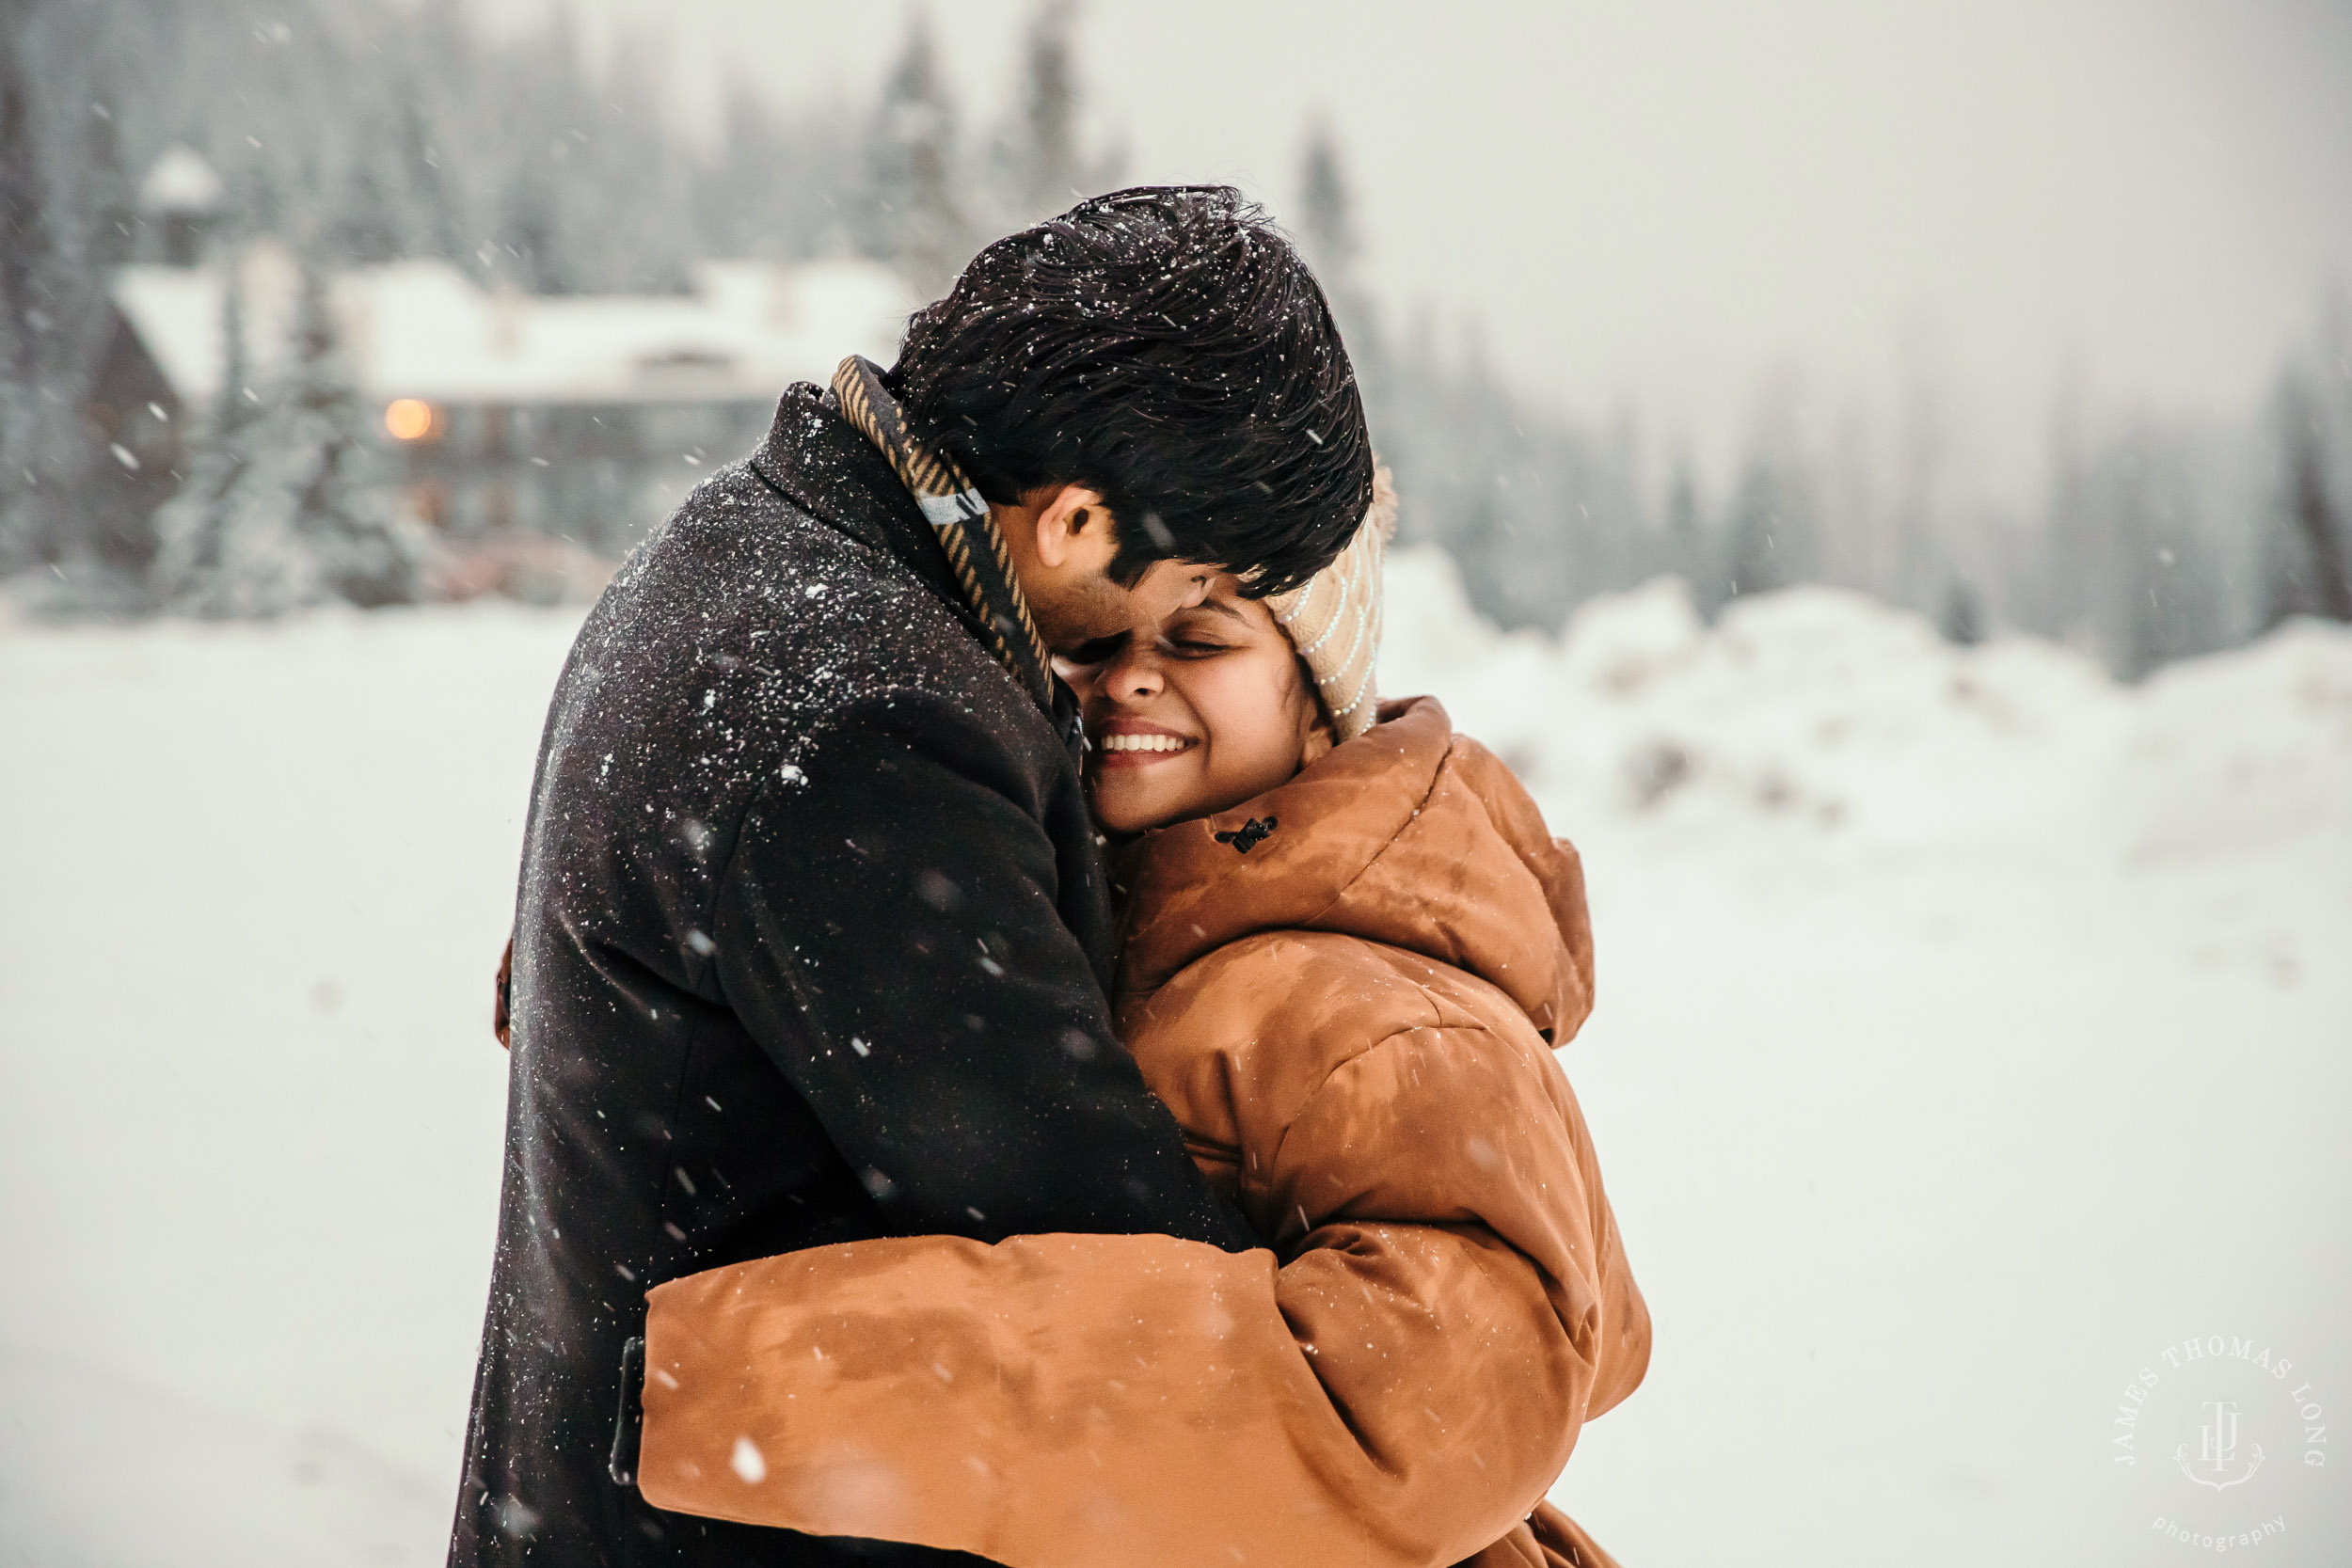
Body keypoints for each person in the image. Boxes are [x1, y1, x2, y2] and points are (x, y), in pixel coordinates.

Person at [448, 187, 1375, 1567]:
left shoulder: (744, 549)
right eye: (1187, 586)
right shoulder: (866, 723)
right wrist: (1395, 1392)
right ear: (1071, 523)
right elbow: (1115, 1248)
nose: (1143, 649)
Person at [626, 472, 1651, 1568]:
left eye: (1200, 641)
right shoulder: (1100, 918)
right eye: (1098, 640)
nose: (1132, 680)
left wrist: (775, 1374)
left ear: (1320, 688)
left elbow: (1420, 1413)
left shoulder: (1396, 1026)